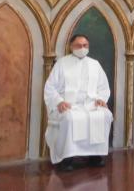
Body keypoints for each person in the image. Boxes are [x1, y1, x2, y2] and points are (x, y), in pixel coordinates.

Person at [44, 34, 113, 171]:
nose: (82, 48)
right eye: (78, 45)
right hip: (69, 105)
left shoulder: (95, 64)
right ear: (71, 47)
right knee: (69, 118)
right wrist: (59, 101)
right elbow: (50, 87)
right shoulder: (62, 63)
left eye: (85, 45)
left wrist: (101, 99)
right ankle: (67, 158)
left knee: (105, 115)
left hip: (90, 104)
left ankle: (95, 156)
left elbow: (103, 87)